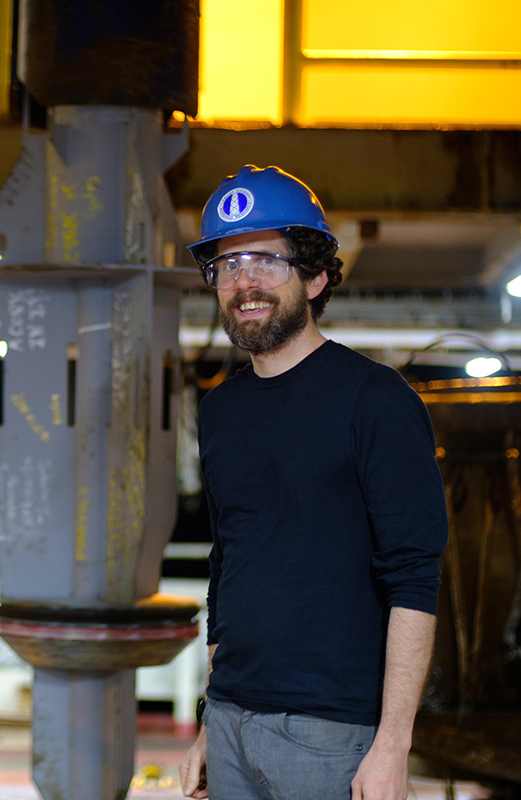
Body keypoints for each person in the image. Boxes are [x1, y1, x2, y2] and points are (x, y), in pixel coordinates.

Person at [177, 166, 448, 800]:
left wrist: (392, 745)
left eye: (267, 261)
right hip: (231, 720)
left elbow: (414, 574)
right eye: (228, 263)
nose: (245, 282)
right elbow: (230, 565)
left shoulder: (376, 399)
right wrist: (208, 724)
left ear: (316, 275)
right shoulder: (221, 410)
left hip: (333, 733)